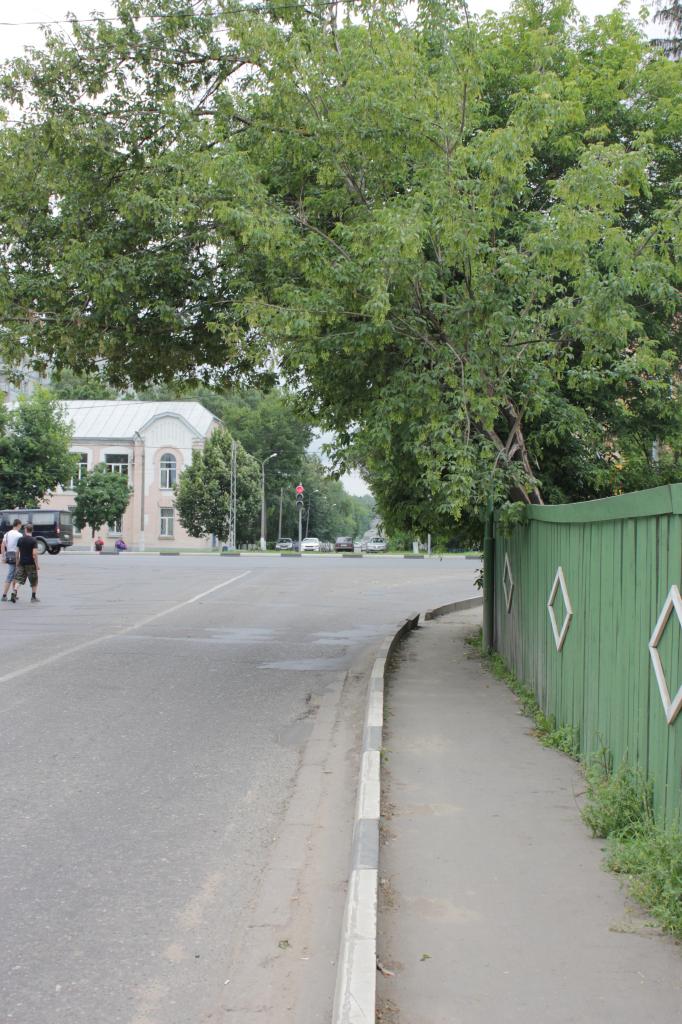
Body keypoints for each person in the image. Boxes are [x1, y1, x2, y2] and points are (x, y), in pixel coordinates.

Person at [14, 523, 40, 603]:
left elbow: (17, 552)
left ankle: (14, 593)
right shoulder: (33, 540)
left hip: (22, 562)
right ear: (32, 530)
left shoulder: (20, 539)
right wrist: (37, 565)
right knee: (34, 581)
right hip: (31, 563)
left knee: (19, 579)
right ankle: (33, 597)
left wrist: (17, 562)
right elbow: (34, 554)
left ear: (25, 530)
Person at [1, 519, 23, 603]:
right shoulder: (19, 535)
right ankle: (8, 595)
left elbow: (3, 545)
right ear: (18, 525)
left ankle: (7, 595)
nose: (21, 527)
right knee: (15, 576)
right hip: (17, 556)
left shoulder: (7, 534)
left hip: (9, 555)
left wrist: (3, 557)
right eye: (20, 525)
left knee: (11, 575)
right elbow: (20, 547)